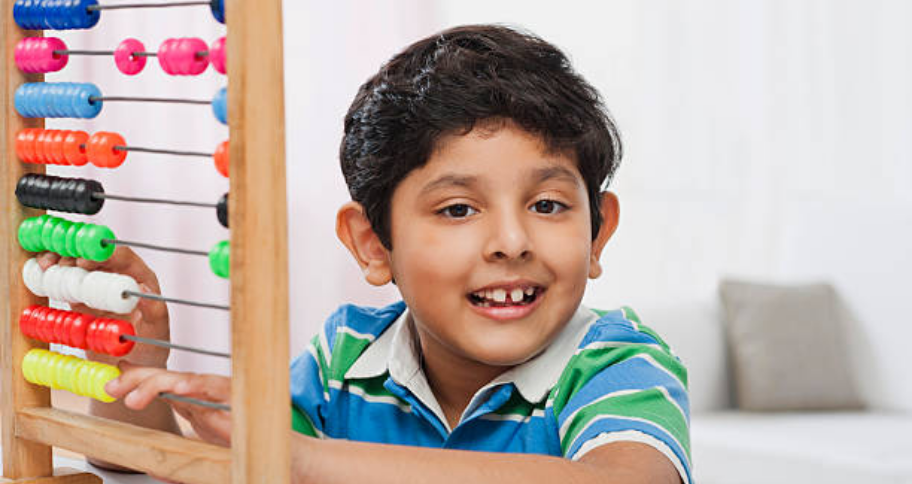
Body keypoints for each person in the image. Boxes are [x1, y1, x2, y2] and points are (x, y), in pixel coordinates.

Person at [39, 24, 690, 484]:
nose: (512, 242)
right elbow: (195, 471)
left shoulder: (614, 361)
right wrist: (131, 373)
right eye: (458, 209)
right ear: (373, 244)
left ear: (598, 232)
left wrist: (299, 462)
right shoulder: (343, 357)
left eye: (547, 205)